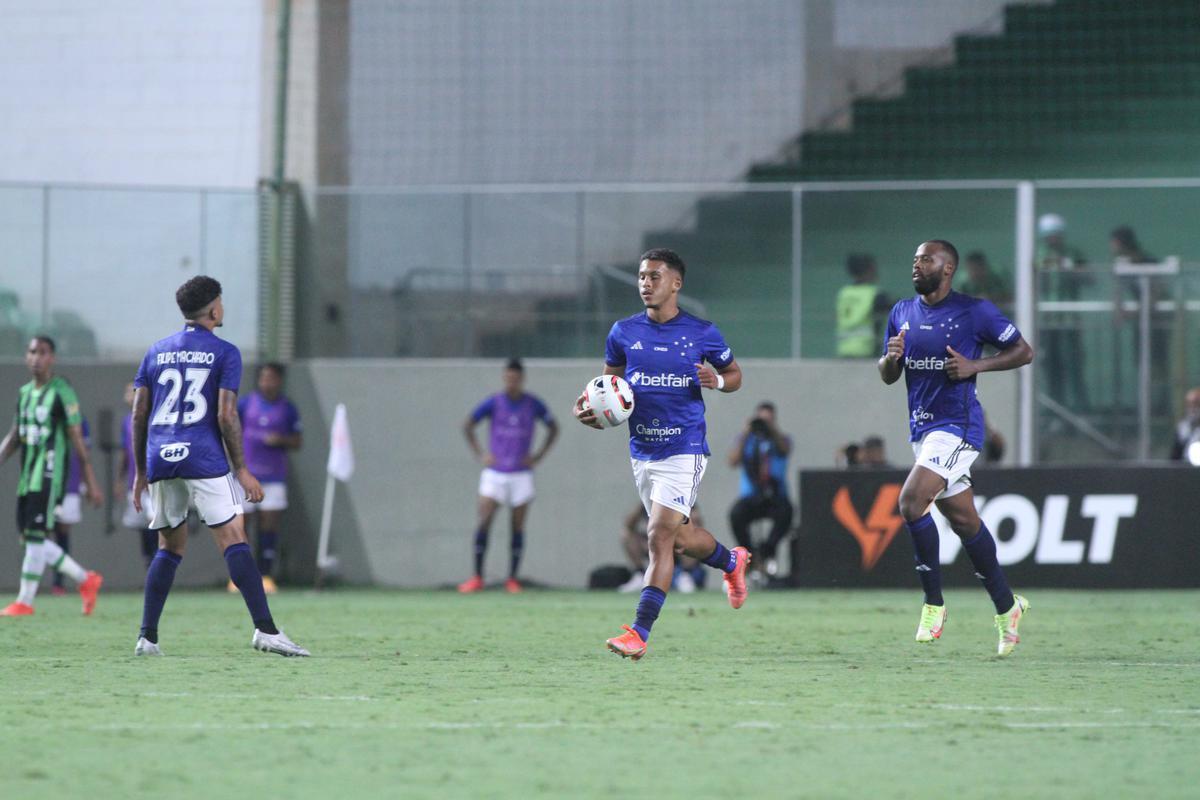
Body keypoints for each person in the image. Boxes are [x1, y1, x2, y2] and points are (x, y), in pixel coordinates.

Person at [574, 247, 749, 661]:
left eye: (654, 276)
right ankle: (732, 561)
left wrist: (718, 382)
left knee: (658, 535)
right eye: (641, 277)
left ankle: (639, 632)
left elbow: (735, 375)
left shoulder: (702, 332)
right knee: (681, 540)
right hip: (643, 450)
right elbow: (606, 388)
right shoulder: (623, 332)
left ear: (676, 283)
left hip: (683, 447)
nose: (645, 284)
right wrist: (588, 409)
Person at [131, 276, 309, 656]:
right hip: (203, 456)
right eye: (222, 302)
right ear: (214, 309)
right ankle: (266, 630)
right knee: (234, 538)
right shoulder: (225, 352)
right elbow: (227, 415)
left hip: (161, 457)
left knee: (169, 545)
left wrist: (140, 473)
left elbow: (138, 414)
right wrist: (241, 469)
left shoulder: (156, 351)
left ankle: (147, 637)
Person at [878, 239, 1035, 657]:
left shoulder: (974, 310)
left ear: (947, 269)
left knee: (911, 502)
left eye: (926, 259)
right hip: (923, 430)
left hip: (959, 426)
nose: (916, 265)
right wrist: (891, 359)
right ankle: (1007, 607)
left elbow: (1023, 350)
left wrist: (976, 366)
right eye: (914, 259)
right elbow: (888, 375)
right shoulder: (901, 312)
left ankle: (933, 604)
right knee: (966, 523)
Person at [0, 336, 104, 617]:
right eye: (32, 352)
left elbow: (77, 441)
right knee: (32, 539)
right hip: (27, 476)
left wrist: (91, 481)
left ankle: (25, 601)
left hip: (49, 475)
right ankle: (86, 579)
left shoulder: (61, 392)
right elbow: (14, 436)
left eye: (43, 353)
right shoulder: (24, 394)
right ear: (26, 356)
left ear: (52, 358)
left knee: (35, 536)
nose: (36, 358)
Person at [460, 358, 558, 593]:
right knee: (484, 521)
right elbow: (468, 425)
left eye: (516, 378)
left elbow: (553, 427)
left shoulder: (533, 404)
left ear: (521, 379)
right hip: (495, 473)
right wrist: (481, 454)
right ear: (504, 378)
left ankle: (512, 578)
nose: (512, 382)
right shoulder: (494, 403)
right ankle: (477, 576)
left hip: (521, 474)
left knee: (517, 526)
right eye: (508, 378)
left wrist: (538, 456)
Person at [237, 362, 302, 593]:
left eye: (272, 378)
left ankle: (264, 575)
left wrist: (280, 440)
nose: (267, 382)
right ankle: (240, 577)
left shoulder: (288, 408)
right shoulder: (246, 404)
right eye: (264, 378)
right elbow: (231, 431)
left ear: (280, 381)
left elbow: (297, 441)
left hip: (274, 476)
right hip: (246, 475)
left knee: (269, 524)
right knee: (241, 524)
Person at [727, 401, 793, 573]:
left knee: (787, 512)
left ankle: (767, 551)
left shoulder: (781, 440)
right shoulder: (747, 441)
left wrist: (772, 430)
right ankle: (749, 555)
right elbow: (732, 461)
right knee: (736, 514)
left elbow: (785, 449)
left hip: (775, 496)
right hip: (751, 497)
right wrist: (746, 432)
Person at [1036, 214, 1090, 411]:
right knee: (1051, 367)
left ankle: (1082, 409)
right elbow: (1030, 284)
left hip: (1070, 321)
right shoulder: (1037, 255)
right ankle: (1055, 411)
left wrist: (1072, 268)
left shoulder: (1072, 253)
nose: (1054, 239)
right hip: (1047, 323)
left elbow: (1090, 278)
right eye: (1050, 235)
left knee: (1074, 365)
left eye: (1057, 235)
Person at [618, 503, 707, 594]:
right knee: (627, 535)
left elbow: (696, 522)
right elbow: (628, 525)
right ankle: (640, 575)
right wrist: (641, 505)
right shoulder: (649, 500)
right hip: (656, 544)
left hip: (677, 545)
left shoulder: (680, 497)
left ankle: (686, 576)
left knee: (689, 536)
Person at [116, 382, 157, 570]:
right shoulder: (127, 421)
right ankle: (150, 565)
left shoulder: (153, 418)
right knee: (143, 526)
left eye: (131, 392)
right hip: (135, 481)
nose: (127, 395)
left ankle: (158, 566)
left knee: (155, 524)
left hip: (154, 482)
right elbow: (126, 452)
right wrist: (120, 479)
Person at [50, 416, 91, 595]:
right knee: (35, 536)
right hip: (42, 485)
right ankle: (83, 578)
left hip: (68, 486)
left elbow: (84, 453)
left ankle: (61, 582)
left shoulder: (78, 419)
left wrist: (89, 483)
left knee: (59, 533)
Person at [835, 253, 892, 357]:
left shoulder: (844, 293)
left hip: (844, 350)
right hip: (865, 351)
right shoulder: (874, 295)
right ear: (870, 270)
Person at [1170, 387, 1200, 463]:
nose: (1192, 409)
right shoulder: (1183, 428)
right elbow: (1174, 456)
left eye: (1196, 404)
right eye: (1189, 405)